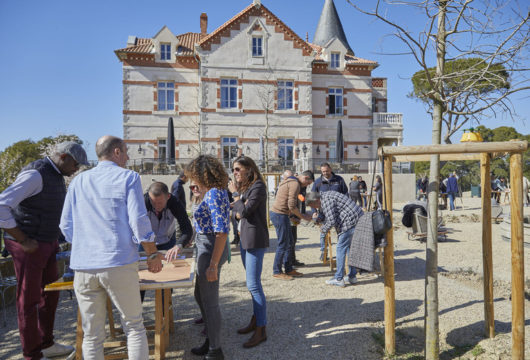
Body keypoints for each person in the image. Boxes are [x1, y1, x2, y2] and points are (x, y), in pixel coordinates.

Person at [60, 136, 163, 359]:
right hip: (118, 261)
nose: (127, 157)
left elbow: (65, 225)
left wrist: (85, 242)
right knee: (134, 326)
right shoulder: (128, 177)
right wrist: (152, 252)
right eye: (125, 152)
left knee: (92, 335)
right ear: (116, 152)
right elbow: (138, 221)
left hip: (84, 264)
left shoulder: (78, 181)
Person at [0, 141, 87, 360]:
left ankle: (45, 344)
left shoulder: (56, 176)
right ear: (64, 157)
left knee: (50, 294)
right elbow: (2, 205)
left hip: (46, 243)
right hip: (27, 245)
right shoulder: (35, 174)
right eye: (76, 164)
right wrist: (23, 239)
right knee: (27, 300)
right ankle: (32, 354)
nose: (77, 169)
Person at [186, 155, 230, 360]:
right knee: (199, 295)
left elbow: (221, 232)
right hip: (206, 245)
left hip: (210, 248)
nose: (191, 181)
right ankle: (211, 340)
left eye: (193, 176)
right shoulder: (214, 192)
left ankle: (215, 349)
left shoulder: (213, 194)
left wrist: (213, 264)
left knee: (210, 301)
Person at [228, 156, 269, 348]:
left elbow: (244, 212)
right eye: (234, 170)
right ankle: (255, 320)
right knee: (251, 284)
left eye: (237, 169)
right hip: (245, 239)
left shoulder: (258, 186)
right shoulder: (247, 188)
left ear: (248, 169)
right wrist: (237, 205)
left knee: (253, 285)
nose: (234, 173)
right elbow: (239, 210)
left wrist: (236, 198)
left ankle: (261, 329)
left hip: (254, 240)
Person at [139, 181, 193, 301]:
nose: (157, 206)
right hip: (146, 244)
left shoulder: (174, 203)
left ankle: (165, 312)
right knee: (141, 278)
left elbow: (187, 228)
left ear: (168, 196)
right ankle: (138, 313)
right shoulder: (142, 202)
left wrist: (179, 245)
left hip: (167, 241)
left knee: (168, 279)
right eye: (153, 202)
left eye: (160, 202)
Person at [305, 191, 363, 287]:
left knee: (340, 248)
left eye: (313, 205)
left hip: (350, 222)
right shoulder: (325, 196)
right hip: (357, 220)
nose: (314, 208)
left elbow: (331, 220)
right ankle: (352, 276)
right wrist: (317, 219)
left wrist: (323, 229)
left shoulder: (326, 200)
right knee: (349, 248)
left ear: (316, 200)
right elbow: (326, 214)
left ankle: (339, 278)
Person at [270, 171, 314, 280]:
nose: (307, 186)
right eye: (308, 183)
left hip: (282, 214)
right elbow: (291, 205)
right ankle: (277, 271)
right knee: (283, 244)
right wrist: (303, 217)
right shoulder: (295, 184)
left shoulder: (290, 181)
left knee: (289, 242)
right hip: (279, 214)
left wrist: (292, 216)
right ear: (305, 178)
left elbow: (288, 203)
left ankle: (289, 269)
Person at [312, 163, 347, 260]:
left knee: (341, 232)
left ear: (330, 169)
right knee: (324, 232)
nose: (325, 173)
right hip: (324, 212)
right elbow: (312, 197)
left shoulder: (339, 180)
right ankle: (324, 252)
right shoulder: (318, 182)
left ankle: (342, 253)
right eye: (323, 172)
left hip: (339, 212)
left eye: (327, 171)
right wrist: (314, 211)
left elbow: (345, 194)